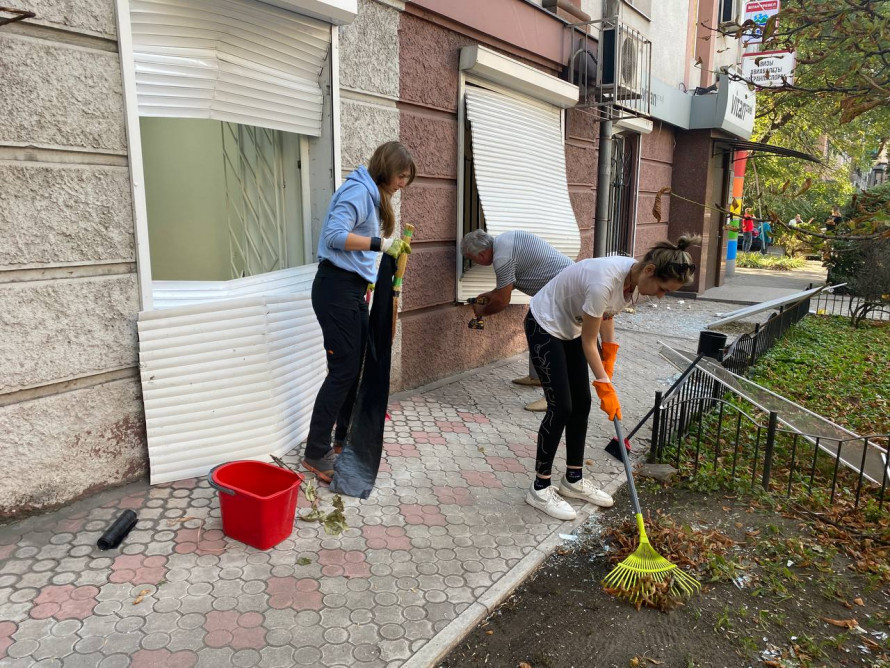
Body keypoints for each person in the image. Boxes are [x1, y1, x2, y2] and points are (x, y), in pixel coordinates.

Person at [523, 235, 701, 520]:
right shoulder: (603, 280)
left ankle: (573, 480)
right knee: (561, 407)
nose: (660, 296)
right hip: (545, 324)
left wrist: (611, 352)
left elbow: (606, 315)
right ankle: (540, 488)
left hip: (572, 327)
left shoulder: (633, 280)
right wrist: (605, 384)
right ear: (650, 271)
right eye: (662, 289)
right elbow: (589, 342)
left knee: (582, 405)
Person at [302, 141, 416, 482]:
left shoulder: (370, 192)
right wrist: (382, 244)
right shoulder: (358, 191)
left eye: (406, 178)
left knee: (353, 368)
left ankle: (341, 439)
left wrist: (367, 279)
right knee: (342, 371)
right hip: (335, 290)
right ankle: (315, 451)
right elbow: (334, 236)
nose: (402, 184)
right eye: (401, 176)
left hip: (350, 290)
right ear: (387, 168)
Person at [461, 229, 574, 411]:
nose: (475, 263)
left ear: (481, 254)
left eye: (473, 259)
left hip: (562, 293)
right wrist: (489, 295)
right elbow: (506, 287)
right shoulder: (504, 242)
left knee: (544, 338)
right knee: (534, 327)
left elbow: (502, 301)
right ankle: (537, 377)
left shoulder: (502, 258)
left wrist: (482, 312)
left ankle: (554, 397)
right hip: (560, 287)